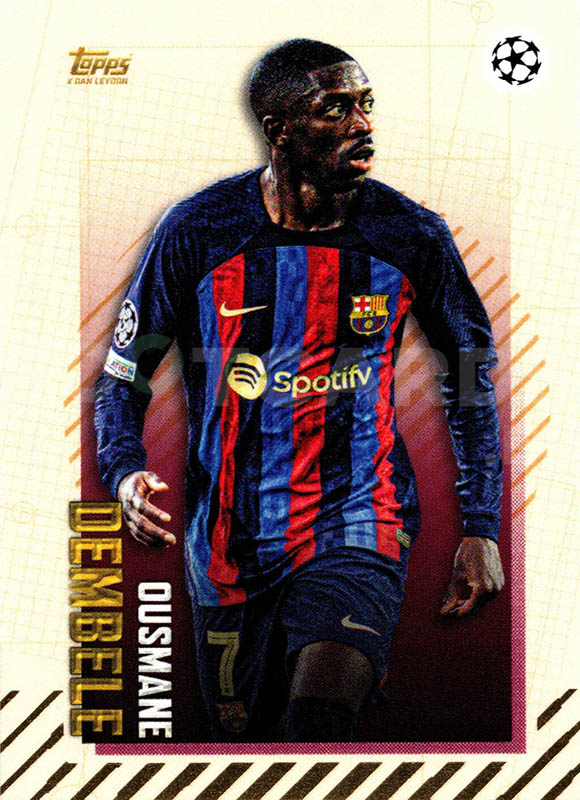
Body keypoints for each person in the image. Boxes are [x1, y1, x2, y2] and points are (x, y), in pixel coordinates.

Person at [94, 38, 505, 742]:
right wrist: (125, 470)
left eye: (366, 104)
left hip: (362, 517)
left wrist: (481, 523)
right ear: (280, 129)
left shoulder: (410, 234)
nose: (362, 124)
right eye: (335, 109)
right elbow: (124, 376)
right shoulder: (200, 230)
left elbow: (468, 374)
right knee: (249, 750)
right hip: (228, 543)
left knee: (318, 717)